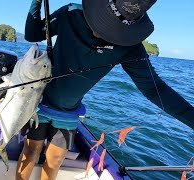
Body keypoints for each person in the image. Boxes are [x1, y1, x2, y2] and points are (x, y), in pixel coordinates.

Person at [16, 0, 194, 179]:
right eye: (102, 21)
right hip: (38, 100)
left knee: (54, 161)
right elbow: (33, 34)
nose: (100, 31)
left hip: (69, 112)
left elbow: (156, 90)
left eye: (115, 30)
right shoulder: (70, 13)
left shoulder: (130, 46)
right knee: (31, 150)